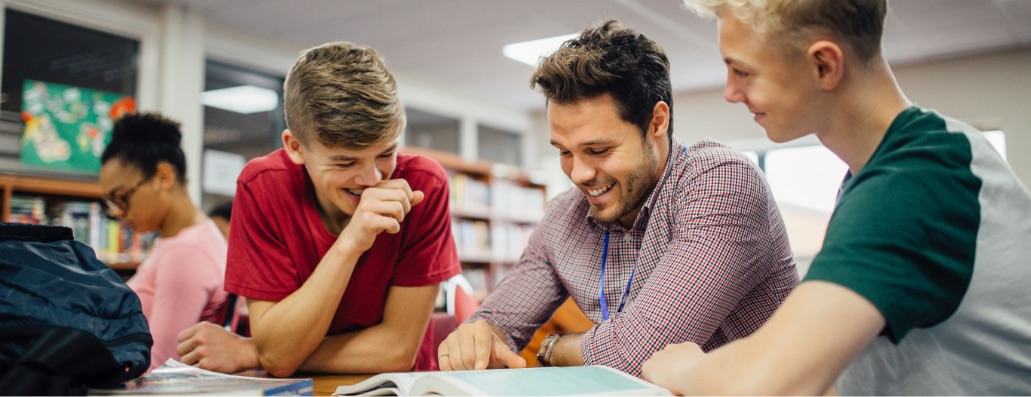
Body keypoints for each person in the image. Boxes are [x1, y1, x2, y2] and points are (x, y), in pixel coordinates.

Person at [641, 1, 1031, 395]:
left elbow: (764, 385)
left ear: (824, 65)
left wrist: (685, 367)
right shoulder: (901, 163)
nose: (731, 92)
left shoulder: (916, 181)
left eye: (743, 71)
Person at [437, 20, 797, 376]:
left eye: (598, 149)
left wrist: (553, 347)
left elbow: (641, 353)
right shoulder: (565, 217)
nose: (578, 175)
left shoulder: (720, 181)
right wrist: (474, 340)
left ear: (656, 122)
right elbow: (494, 324)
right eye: (564, 152)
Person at [175, 41, 461, 376]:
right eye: (345, 161)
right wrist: (351, 242)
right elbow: (278, 354)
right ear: (295, 147)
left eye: (385, 153)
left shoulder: (424, 185)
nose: (372, 178)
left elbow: (396, 352)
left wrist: (255, 352)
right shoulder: (262, 186)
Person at [99, 112, 229, 372]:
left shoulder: (186, 252)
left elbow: (159, 368)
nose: (117, 211)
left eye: (121, 197)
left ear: (163, 178)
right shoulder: (179, 241)